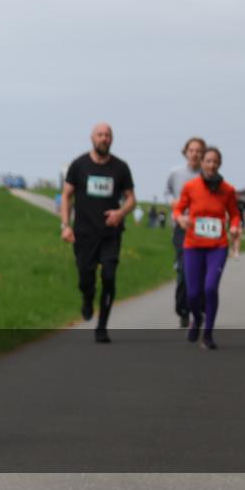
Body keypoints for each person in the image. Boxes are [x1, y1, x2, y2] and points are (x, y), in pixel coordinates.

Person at [60, 123, 136, 343]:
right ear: (92, 138)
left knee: (109, 277)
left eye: (108, 135)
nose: (104, 139)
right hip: (84, 233)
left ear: (112, 139)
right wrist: (65, 225)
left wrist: (120, 213)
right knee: (86, 277)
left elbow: (131, 199)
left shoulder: (120, 168)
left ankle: (102, 326)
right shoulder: (79, 165)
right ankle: (87, 297)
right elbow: (66, 195)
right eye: (100, 135)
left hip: (110, 233)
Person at [172, 147, 241, 350]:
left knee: (210, 288)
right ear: (201, 163)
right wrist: (180, 218)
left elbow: (234, 213)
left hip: (217, 246)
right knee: (193, 294)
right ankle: (196, 318)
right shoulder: (191, 186)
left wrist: (235, 226)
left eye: (215, 162)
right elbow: (178, 208)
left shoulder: (227, 190)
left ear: (219, 164)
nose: (211, 165)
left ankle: (208, 334)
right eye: (208, 161)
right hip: (193, 245)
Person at [166, 137, 206, 327]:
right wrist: (173, 203)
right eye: (192, 150)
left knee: (201, 270)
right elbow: (167, 192)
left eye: (199, 151)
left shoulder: (207, 174)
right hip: (182, 227)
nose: (195, 154)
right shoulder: (176, 173)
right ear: (186, 152)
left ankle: (199, 307)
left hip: (203, 229)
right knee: (183, 270)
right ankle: (182, 309)